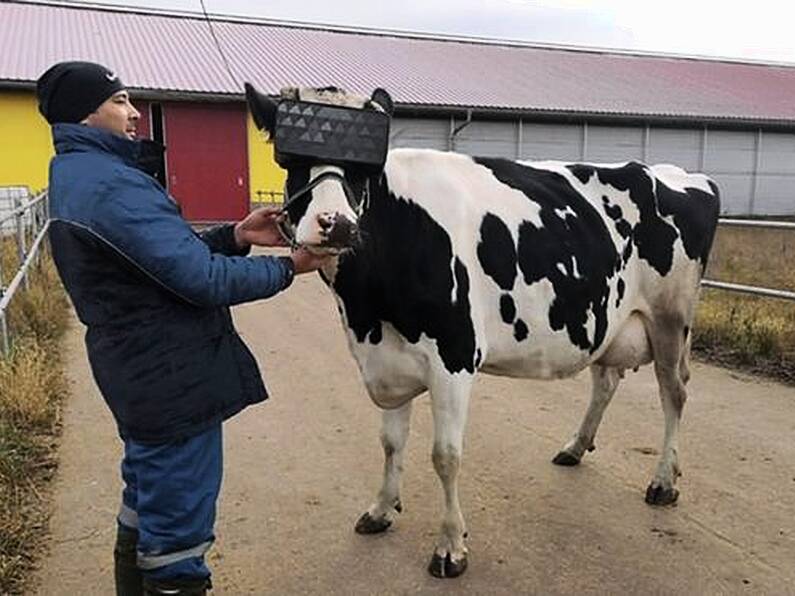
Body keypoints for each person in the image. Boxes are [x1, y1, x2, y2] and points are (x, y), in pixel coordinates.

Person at [36, 61, 327, 595]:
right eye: (120, 100)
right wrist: (289, 267)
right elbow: (200, 280)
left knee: (146, 502)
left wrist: (235, 235)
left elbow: (159, 262)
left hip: (140, 368)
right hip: (169, 376)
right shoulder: (111, 186)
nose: (134, 112)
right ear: (86, 112)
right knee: (178, 538)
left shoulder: (85, 175)